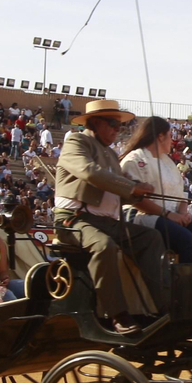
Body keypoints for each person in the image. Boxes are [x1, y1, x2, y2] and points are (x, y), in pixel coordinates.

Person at [54, 99, 167, 333]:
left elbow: (116, 193)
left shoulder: (110, 154)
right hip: (74, 220)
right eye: (113, 124)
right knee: (104, 246)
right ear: (95, 122)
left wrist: (137, 190)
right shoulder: (76, 142)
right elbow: (89, 172)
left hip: (107, 221)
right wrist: (130, 187)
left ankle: (161, 306)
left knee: (151, 238)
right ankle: (117, 315)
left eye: (119, 126)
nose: (117, 130)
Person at [120, 115, 192, 264]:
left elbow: (181, 196)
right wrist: (168, 215)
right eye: (170, 135)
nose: (172, 139)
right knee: (186, 240)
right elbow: (136, 200)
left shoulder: (167, 162)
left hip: (172, 216)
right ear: (160, 137)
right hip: (144, 216)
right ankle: (187, 286)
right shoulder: (134, 160)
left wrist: (182, 213)